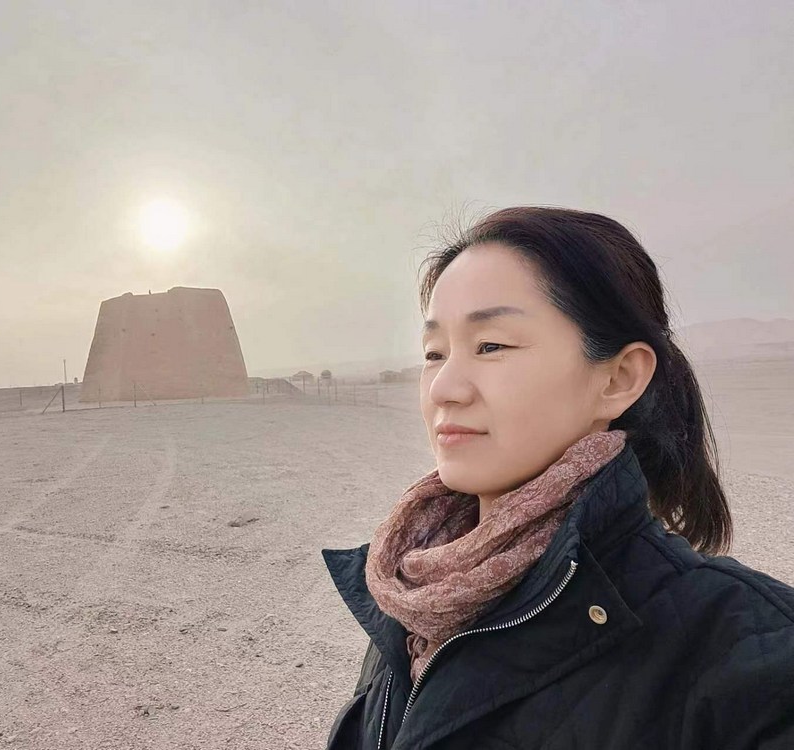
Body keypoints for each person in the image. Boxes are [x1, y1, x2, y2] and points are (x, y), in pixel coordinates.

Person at [322, 207, 794, 749]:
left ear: (618, 379)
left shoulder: (751, 661)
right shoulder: (413, 589)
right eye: (434, 353)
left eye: (491, 345)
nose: (443, 388)